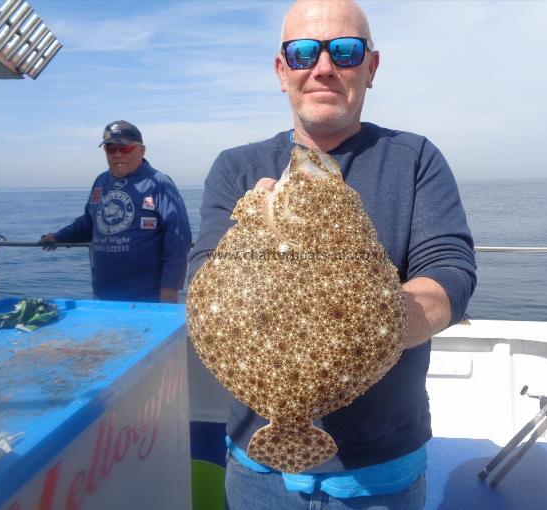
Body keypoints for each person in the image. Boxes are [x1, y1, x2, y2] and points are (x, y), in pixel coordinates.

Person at [187, 1, 476, 508]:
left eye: (344, 51)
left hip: (383, 467)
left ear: (370, 67)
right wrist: (254, 229)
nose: (323, 67)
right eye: (302, 53)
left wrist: (366, 329)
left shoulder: (415, 159)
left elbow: (450, 270)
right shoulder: (236, 166)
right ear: (282, 71)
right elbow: (201, 276)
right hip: (257, 466)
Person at [41, 120, 192, 303]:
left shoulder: (159, 183)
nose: (117, 154)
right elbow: (89, 222)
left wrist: (170, 287)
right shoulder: (101, 182)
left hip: (148, 295)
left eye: (125, 148)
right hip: (104, 292)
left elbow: (178, 237)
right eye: (111, 149)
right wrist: (58, 237)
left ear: (141, 150)